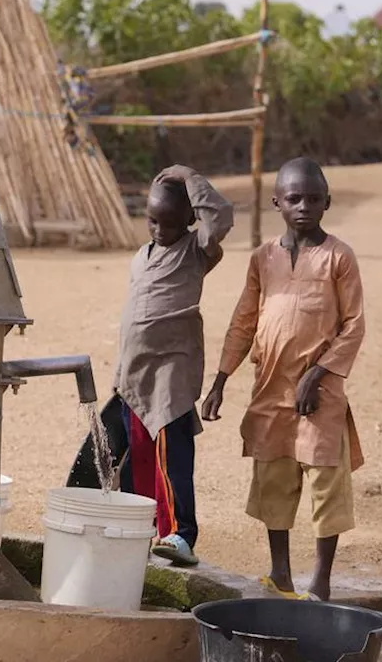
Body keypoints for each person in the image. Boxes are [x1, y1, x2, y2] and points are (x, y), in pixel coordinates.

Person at [201, 157, 366, 602]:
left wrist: (320, 371)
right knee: (274, 477)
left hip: (321, 393)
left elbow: (354, 325)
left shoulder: (338, 257)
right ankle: (281, 574)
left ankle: (322, 582)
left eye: (314, 198)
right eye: (294, 198)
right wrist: (219, 380)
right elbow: (243, 320)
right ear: (277, 202)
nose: (304, 206)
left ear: (327, 202)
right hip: (270, 388)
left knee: (326, 481)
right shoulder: (262, 258)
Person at [66, 165, 233, 568]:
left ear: (190, 220)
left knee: (171, 456)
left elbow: (222, 216)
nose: (159, 230)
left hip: (170, 377)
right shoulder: (142, 255)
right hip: (134, 377)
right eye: (153, 221)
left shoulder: (197, 252)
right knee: (138, 458)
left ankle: (180, 534)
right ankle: (144, 527)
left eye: (170, 223)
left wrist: (191, 177)